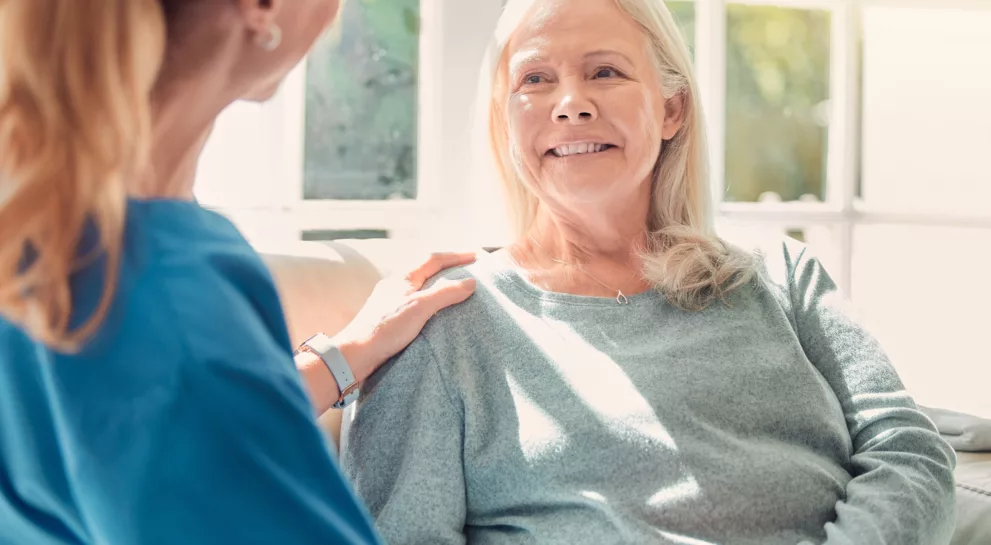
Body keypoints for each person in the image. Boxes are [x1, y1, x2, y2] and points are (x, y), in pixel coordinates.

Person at [339, 0, 958, 543]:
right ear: (506, 123)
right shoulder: (440, 320)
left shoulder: (781, 274)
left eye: (605, 72)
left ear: (672, 110)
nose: (571, 104)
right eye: (535, 78)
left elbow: (908, 450)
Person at [0, 1, 476, 544]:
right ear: (261, 7)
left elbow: (151, 441)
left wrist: (346, 355)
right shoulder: (171, 298)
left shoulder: (50, 233)